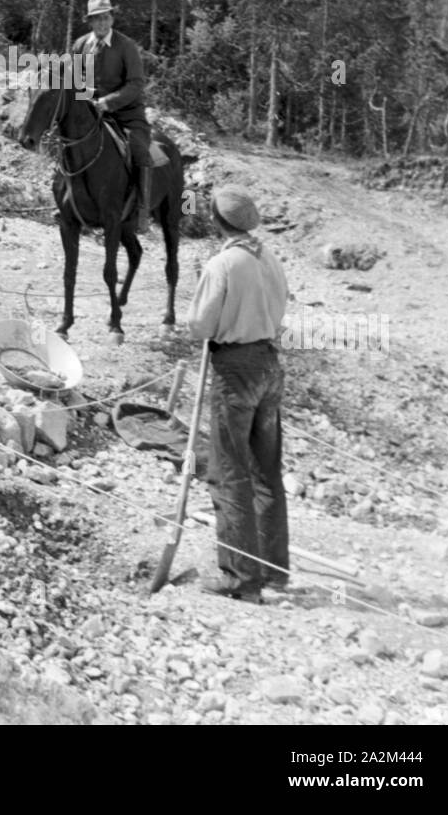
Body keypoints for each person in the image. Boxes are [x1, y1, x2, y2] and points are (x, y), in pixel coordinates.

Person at [185, 185, 290, 604]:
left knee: (229, 471)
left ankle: (240, 578)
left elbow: (200, 326)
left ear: (217, 221)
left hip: (236, 369)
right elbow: (280, 312)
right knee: (266, 469)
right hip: (269, 362)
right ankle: (273, 569)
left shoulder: (223, 264)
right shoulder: (271, 259)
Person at [71, 0, 153, 233]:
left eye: (105, 18)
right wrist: (84, 104)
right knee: (67, 143)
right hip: (91, 112)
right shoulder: (80, 45)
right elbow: (76, 82)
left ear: (112, 19)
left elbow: (136, 83)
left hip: (126, 113)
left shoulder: (126, 46)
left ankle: (142, 211)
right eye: (96, 19)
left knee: (140, 151)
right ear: (90, 21)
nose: (101, 23)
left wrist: (108, 102)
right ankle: (69, 202)